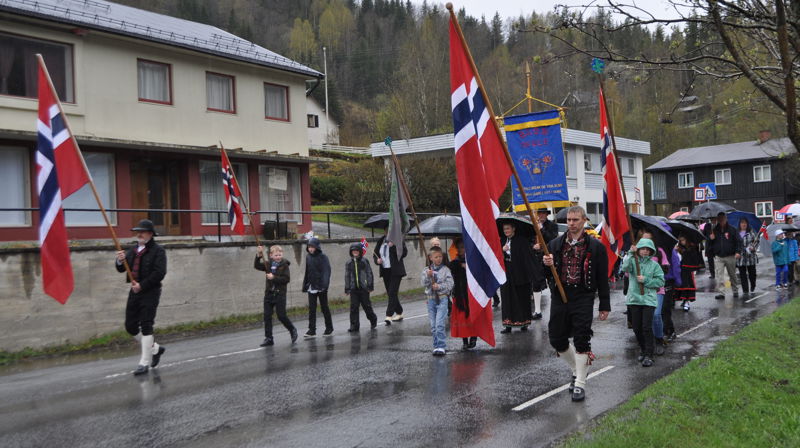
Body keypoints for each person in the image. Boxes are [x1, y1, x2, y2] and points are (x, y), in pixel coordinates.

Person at [543, 206, 610, 402]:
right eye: (569, 220)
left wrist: (604, 305)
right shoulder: (555, 244)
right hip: (560, 296)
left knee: (581, 338)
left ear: (584, 220)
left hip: (583, 296)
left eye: (575, 220)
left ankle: (580, 382)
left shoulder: (596, 247)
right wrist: (546, 264)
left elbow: (602, 278)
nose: (571, 223)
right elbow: (545, 275)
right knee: (556, 338)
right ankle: (576, 368)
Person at [115, 219, 167, 375]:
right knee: (130, 326)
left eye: (142, 231)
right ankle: (156, 349)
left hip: (150, 291)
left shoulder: (158, 251)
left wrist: (142, 285)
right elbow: (121, 269)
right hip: (134, 292)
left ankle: (144, 363)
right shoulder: (132, 250)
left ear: (150, 234)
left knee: (146, 325)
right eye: (137, 231)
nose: (139, 234)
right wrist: (119, 260)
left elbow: (160, 273)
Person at [620, 238, 664, 367]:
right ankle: (644, 350)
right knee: (636, 327)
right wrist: (630, 253)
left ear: (651, 252)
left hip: (648, 300)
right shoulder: (633, 261)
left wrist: (646, 280)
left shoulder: (655, 265)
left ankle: (649, 355)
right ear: (638, 250)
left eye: (647, 249)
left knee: (646, 327)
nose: (645, 251)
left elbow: (660, 282)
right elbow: (625, 267)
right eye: (642, 249)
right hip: (634, 299)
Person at [255, 245, 297, 346]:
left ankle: (292, 329)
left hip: (280, 294)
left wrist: (273, 277)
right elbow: (257, 266)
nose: (278, 256)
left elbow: (286, 279)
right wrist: (259, 255)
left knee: (281, 315)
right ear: (271, 255)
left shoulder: (284, 265)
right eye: (276, 255)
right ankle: (269, 338)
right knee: (267, 316)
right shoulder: (268, 264)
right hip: (269, 294)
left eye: (280, 254)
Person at [499, 221, 535, 333]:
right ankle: (508, 324)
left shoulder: (521, 240)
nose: (506, 231)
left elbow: (526, 257)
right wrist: (502, 250)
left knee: (521, 297)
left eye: (508, 229)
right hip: (506, 272)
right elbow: (496, 255)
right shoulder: (502, 241)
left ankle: (524, 322)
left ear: (513, 229)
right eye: (505, 229)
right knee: (507, 298)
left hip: (520, 272)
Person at [422, 246, 454, 356]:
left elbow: (450, 284)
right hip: (431, 300)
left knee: (439, 323)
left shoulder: (446, 270)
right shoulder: (427, 270)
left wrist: (439, 286)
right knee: (433, 325)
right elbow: (424, 284)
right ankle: (436, 345)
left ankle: (441, 346)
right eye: (436, 257)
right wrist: (428, 276)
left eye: (440, 256)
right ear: (430, 258)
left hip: (442, 299)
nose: (438, 259)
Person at [449, 238, 478, 350]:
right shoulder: (455, 262)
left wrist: (468, 267)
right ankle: (465, 340)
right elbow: (451, 269)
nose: (460, 250)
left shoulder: (472, 260)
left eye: (463, 247)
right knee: (461, 317)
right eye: (459, 248)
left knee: (472, 315)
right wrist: (459, 265)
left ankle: (474, 337)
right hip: (459, 294)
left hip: (471, 293)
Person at [373, 234, 408, 325]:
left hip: (396, 271)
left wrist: (393, 246)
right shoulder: (381, 240)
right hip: (385, 271)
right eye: (386, 229)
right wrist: (377, 261)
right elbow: (375, 254)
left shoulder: (398, 239)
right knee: (391, 293)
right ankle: (399, 312)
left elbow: (404, 253)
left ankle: (389, 315)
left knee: (392, 292)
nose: (388, 231)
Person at [301, 237, 332, 337]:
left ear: (317, 247)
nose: (310, 249)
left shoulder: (323, 257)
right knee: (312, 309)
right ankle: (312, 330)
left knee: (324, 308)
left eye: (312, 247)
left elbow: (326, 272)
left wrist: (324, 286)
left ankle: (329, 328)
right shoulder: (308, 257)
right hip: (311, 286)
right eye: (309, 246)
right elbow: (307, 272)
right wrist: (305, 285)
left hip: (321, 287)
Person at [708, 212, 742, 300]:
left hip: (730, 255)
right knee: (719, 275)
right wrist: (711, 239)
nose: (721, 221)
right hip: (719, 256)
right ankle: (721, 292)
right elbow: (710, 244)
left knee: (732, 274)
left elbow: (739, 241)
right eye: (719, 219)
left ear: (726, 219)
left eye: (722, 219)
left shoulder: (732, 230)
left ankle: (735, 290)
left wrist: (738, 252)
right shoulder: (714, 230)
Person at [346, 242, 378, 331]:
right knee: (354, 308)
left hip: (364, 289)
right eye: (353, 251)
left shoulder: (364, 261)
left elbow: (369, 273)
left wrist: (370, 286)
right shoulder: (349, 263)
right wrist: (347, 288)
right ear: (351, 252)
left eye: (357, 251)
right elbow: (347, 276)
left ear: (360, 251)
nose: (355, 252)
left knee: (367, 306)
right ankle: (354, 326)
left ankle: (373, 319)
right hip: (353, 289)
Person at [675, 235, 703, 312]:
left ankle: (686, 301)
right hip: (681, 269)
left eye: (683, 240)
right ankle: (683, 300)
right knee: (681, 285)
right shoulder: (679, 248)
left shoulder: (692, 247)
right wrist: (676, 251)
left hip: (689, 269)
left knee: (687, 285)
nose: (682, 242)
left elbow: (695, 258)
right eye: (680, 241)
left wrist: (695, 268)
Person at [661, 243, 682, 343]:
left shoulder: (670, 250)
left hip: (667, 281)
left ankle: (669, 331)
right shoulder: (650, 249)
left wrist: (677, 281)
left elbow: (676, 265)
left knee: (665, 308)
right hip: (653, 283)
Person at [736, 218, 758, 296]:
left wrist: (753, 247)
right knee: (742, 275)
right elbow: (734, 244)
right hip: (741, 258)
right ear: (739, 224)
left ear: (747, 224)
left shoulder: (751, 232)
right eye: (742, 223)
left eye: (745, 223)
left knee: (752, 273)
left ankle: (753, 285)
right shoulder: (737, 233)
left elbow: (756, 241)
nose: (743, 224)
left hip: (750, 257)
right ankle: (745, 290)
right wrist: (736, 252)